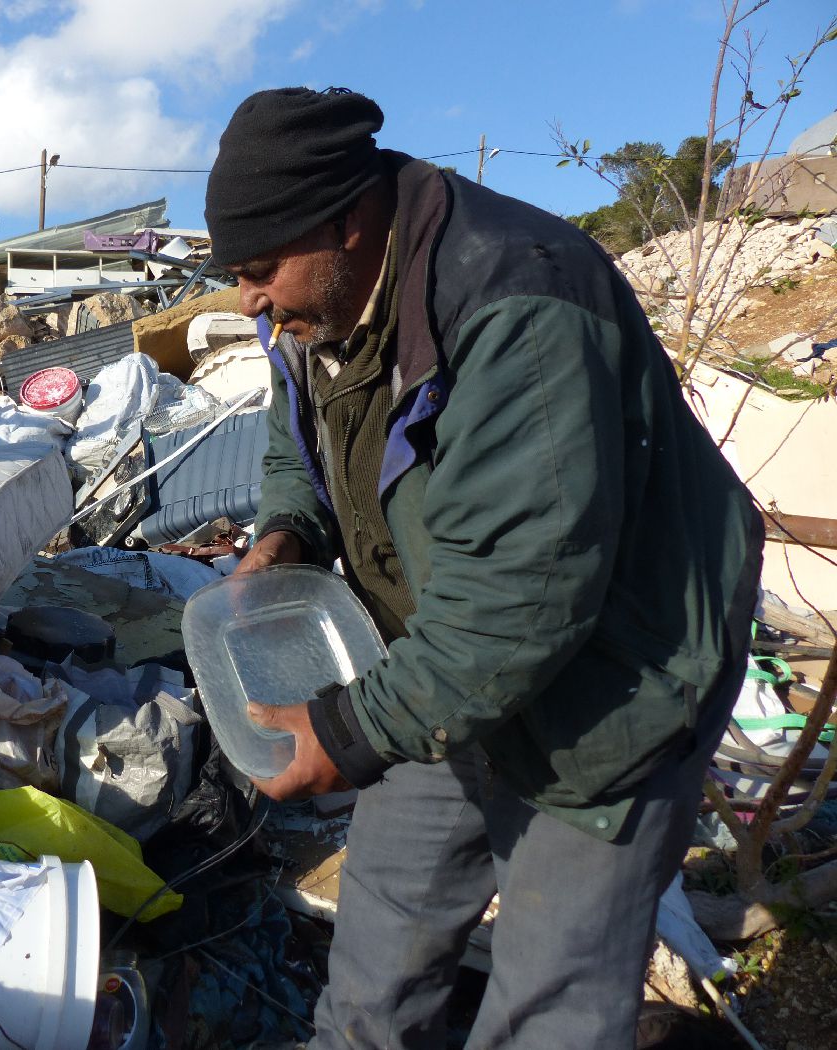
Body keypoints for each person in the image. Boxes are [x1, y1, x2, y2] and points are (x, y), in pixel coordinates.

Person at [204, 87, 762, 1049]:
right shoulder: (313, 309)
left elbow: (519, 601)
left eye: (261, 272)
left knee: (552, 1005)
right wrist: (287, 529)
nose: (249, 301)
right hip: (445, 671)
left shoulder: (517, 303)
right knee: (379, 955)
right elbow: (298, 437)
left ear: (347, 219)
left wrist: (347, 727)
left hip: (613, 692)